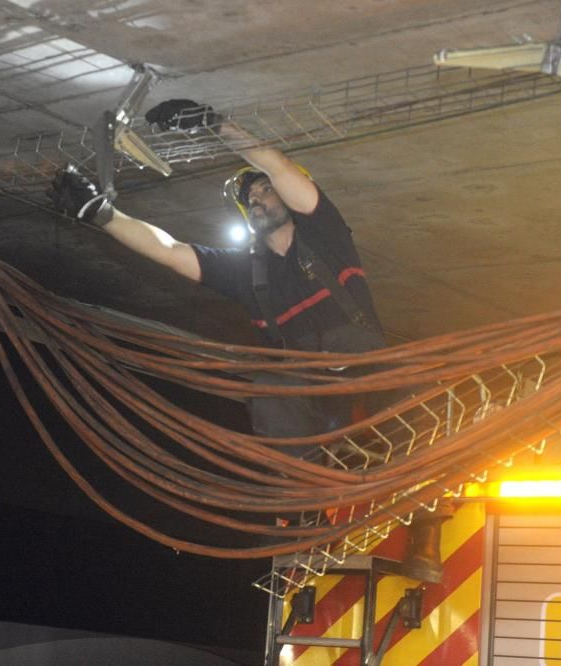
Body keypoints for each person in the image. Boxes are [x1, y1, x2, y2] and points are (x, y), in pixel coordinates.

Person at [48, 99, 444, 582]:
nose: (256, 200)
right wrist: (103, 215)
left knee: (418, 414)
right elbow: (170, 250)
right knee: (268, 388)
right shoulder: (245, 271)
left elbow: (276, 164)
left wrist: (216, 126)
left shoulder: (324, 235)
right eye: (249, 199)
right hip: (308, 388)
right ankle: (305, 518)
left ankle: (425, 538)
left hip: (366, 365)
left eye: (263, 191)